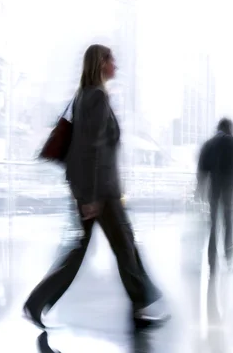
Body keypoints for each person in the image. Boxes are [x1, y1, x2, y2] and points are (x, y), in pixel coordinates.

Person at [23, 44, 167, 329]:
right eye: (112, 59)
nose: (116, 64)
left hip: (92, 188)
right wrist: (91, 198)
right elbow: (92, 149)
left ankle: (37, 302)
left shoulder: (84, 96)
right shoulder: (97, 97)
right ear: (101, 63)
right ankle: (140, 306)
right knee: (124, 245)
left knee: (89, 247)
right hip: (100, 192)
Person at [197, 118, 233, 271]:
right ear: (228, 128)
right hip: (227, 188)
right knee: (228, 221)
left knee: (213, 222)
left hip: (213, 187)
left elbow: (203, 166)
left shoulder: (209, 143)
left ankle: (211, 257)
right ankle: (228, 256)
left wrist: (200, 187)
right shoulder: (231, 141)